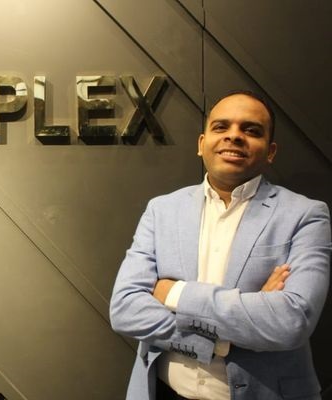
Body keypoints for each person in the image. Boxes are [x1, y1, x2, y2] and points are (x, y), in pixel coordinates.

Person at [110, 91, 331, 400]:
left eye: (251, 130)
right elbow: (125, 309)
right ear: (202, 144)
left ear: (270, 151)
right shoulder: (162, 210)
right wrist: (221, 340)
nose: (234, 136)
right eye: (221, 127)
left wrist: (174, 293)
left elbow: (292, 321)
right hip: (163, 391)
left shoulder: (306, 215)